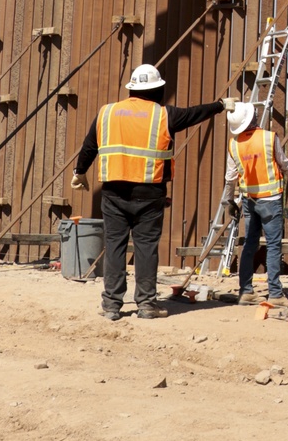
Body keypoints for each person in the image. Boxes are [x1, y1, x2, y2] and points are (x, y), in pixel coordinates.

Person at [72, 64, 236, 321]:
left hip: (114, 192)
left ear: (132, 89)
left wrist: (79, 172)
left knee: (114, 245)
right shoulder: (164, 115)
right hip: (149, 193)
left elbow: (89, 146)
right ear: (158, 89)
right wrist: (221, 105)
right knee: (146, 247)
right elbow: (194, 114)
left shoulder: (107, 113)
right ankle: (147, 304)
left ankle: (111, 305)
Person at [223, 101, 288, 305]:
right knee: (274, 246)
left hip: (250, 202)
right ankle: (276, 294)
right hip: (271, 201)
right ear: (252, 118)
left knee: (249, 245)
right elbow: (284, 164)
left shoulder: (234, 144)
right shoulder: (269, 138)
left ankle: (246, 291)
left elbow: (230, 177)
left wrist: (229, 201)